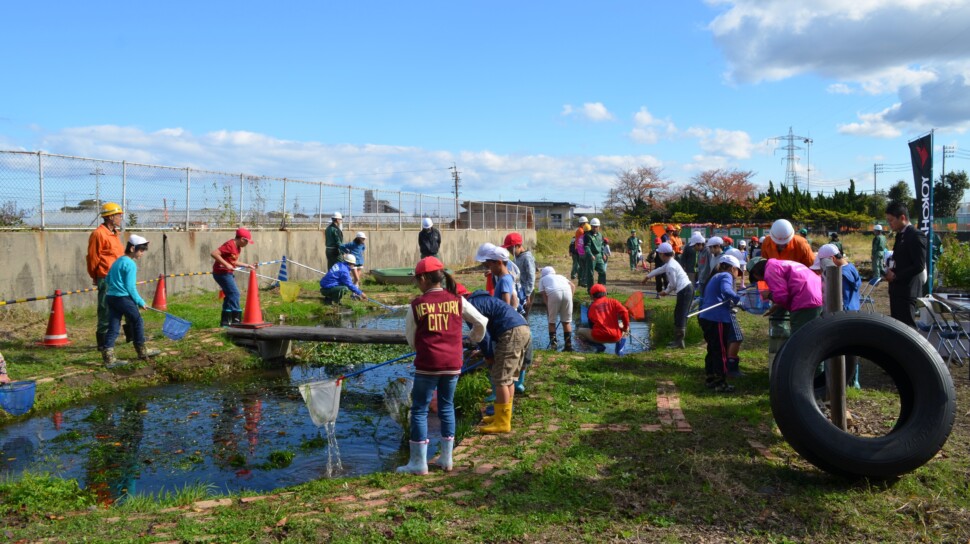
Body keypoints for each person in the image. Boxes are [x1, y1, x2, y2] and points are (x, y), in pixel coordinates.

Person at [396, 257, 487, 475]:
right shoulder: (457, 300)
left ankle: (419, 463)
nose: (417, 283)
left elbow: (410, 338)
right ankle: (447, 460)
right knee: (447, 406)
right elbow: (481, 322)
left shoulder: (417, 305)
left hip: (428, 363)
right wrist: (473, 339)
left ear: (425, 278)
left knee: (419, 408)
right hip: (453, 363)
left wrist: (421, 345)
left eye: (417, 279)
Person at [464, 288, 531, 434]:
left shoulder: (469, 307)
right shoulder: (483, 300)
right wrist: (486, 351)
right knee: (509, 378)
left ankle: (502, 423)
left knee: (500, 379)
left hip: (511, 332)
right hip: (522, 328)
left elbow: (483, 335)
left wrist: (488, 355)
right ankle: (502, 416)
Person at [102, 235, 161, 368]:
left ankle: (108, 358)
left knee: (113, 326)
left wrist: (115, 287)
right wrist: (140, 302)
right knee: (137, 321)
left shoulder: (117, 261)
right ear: (133, 248)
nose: (142, 253)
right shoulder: (130, 264)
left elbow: (107, 279)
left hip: (111, 297)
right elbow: (130, 287)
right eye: (141, 250)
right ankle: (142, 350)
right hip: (123, 298)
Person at [697, 254, 744, 392]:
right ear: (732, 268)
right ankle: (721, 382)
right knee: (721, 351)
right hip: (716, 318)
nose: (737, 274)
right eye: (738, 270)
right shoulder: (726, 276)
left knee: (712, 349)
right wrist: (738, 300)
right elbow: (727, 290)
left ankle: (710, 378)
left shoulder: (715, 276)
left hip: (706, 317)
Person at [87, 202, 126, 351]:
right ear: (110, 217)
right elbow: (93, 258)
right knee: (105, 310)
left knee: (128, 306)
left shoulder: (115, 234)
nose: (121, 218)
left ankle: (132, 335)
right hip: (106, 277)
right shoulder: (99, 234)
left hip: (119, 278)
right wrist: (95, 276)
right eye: (119, 215)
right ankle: (102, 343)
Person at [747, 256, 823, 334]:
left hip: (805, 302)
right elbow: (789, 288)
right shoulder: (779, 264)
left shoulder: (770, 271)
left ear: (755, 273)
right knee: (813, 334)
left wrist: (769, 295)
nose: (761, 280)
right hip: (818, 296)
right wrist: (777, 305)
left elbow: (781, 297)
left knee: (800, 338)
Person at [884, 201, 927, 328]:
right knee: (897, 327)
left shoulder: (915, 235)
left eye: (891, 220)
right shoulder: (900, 235)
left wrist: (896, 276)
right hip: (897, 289)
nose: (889, 224)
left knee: (907, 328)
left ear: (902, 217)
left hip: (908, 290)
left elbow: (919, 265)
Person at [641, 242, 692, 348]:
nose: (659, 255)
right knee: (679, 314)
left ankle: (679, 342)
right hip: (686, 289)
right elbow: (660, 269)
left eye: (659, 254)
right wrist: (647, 276)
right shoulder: (670, 263)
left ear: (663, 254)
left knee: (680, 315)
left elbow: (672, 284)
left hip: (685, 290)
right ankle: (678, 341)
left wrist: (665, 292)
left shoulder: (671, 266)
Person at [211, 228, 256, 327]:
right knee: (235, 293)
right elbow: (214, 253)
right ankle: (236, 321)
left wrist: (247, 265)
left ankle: (225, 322)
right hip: (221, 273)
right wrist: (226, 264)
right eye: (247, 242)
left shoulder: (238, 248)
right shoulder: (229, 245)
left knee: (229, 296)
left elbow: (234, 262)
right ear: (242, 239)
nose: (247, 244)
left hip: (228, 273)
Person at [576, 284, 630, 355]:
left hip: (598, 337)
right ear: (605, 293)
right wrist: (625, 328)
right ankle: (619, 351)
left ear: (592, 296)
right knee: (626, 326)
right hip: (616, 336)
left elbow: (591, 325)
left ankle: (599, 346)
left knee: (579, 331)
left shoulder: (592, 306)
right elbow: (625, 312)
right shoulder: (614, 302)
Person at [538, 266, 576, 351]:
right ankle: (568, 347)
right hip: (568, 293)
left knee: (551, 322)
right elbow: (573, 286)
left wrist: (548, 307)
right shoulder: (561, 277)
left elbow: (544, 295)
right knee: (566, 322)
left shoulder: (543, 279)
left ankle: (554, 347)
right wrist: (570, 299)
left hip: (554, 294)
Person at [504, 232, 535, 315]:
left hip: (527, 292)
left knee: (523, 317)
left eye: (510, 249)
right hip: (519, 290)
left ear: (517, 246)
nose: (510, 252)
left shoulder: (527, 257)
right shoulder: (516, 258)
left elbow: (531, 276)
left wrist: (528, 294)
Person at [583, 218, 607, 288]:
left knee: (602, 271)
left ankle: (601, 288)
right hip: (591, 256)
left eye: (596, 226)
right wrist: (590, 254)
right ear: (591, 226)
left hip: (599, 256)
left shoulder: (600, 235)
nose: (594, 228)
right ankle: (590, 290)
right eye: (593, 226)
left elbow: (602, 245)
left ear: (599, 227)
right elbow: (587, 246)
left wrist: (603, 254)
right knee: (590, 274)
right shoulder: (588, 235)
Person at [572, 216, 590, 282]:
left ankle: (580, 279)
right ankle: (581, 279)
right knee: (582, 266)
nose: (587, 224)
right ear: (582, 223)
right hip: (580, 249)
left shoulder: (579, 229)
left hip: (578, 248)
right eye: (586, 223)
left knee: (581, 266)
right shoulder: (581, 230)